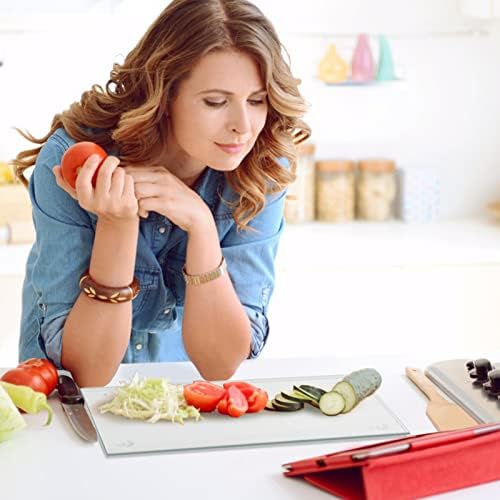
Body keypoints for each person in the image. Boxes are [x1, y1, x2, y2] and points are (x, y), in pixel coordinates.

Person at [13, 0, 310, 387]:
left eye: (256, 101)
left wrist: (202, 225)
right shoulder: (77, 159)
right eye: (216, 102)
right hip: (67, 408)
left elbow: (221, 364)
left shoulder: (262, 167)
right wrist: (117, 223)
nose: (243, 125)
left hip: (180, 398)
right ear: (166, 94)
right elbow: (85, 373)